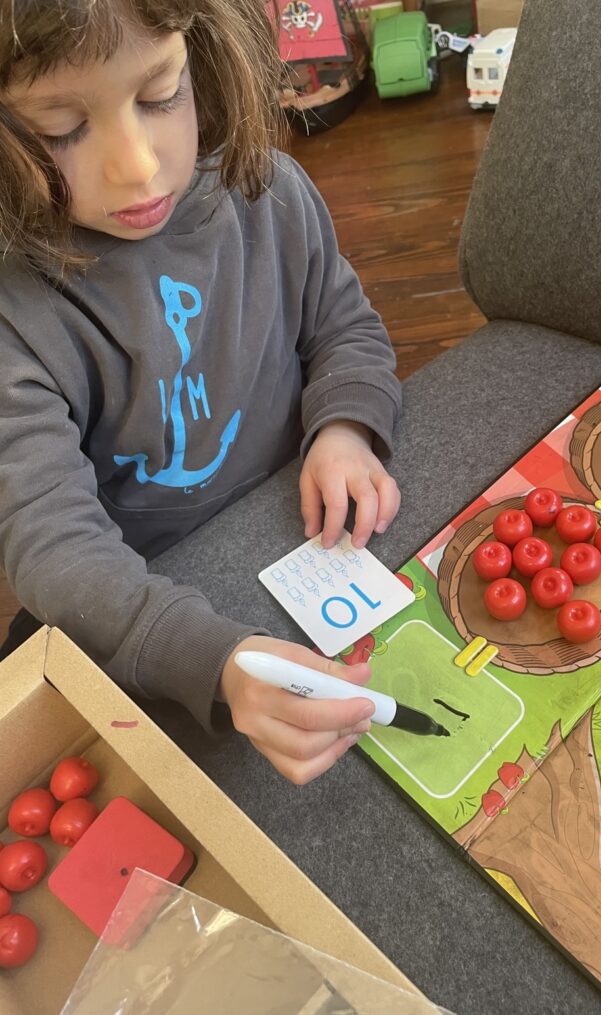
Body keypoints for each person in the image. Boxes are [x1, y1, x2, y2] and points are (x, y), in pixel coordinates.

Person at [0, 0, 402, 785]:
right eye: (59, 128)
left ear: (205, 58)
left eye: (161, 95)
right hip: (142, 604)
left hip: (301, 547)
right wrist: (209, 659)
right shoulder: (17, 314)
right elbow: (53, 547)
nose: (139, 166)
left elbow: (345, 326)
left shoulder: (273, 193)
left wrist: (346, 427)